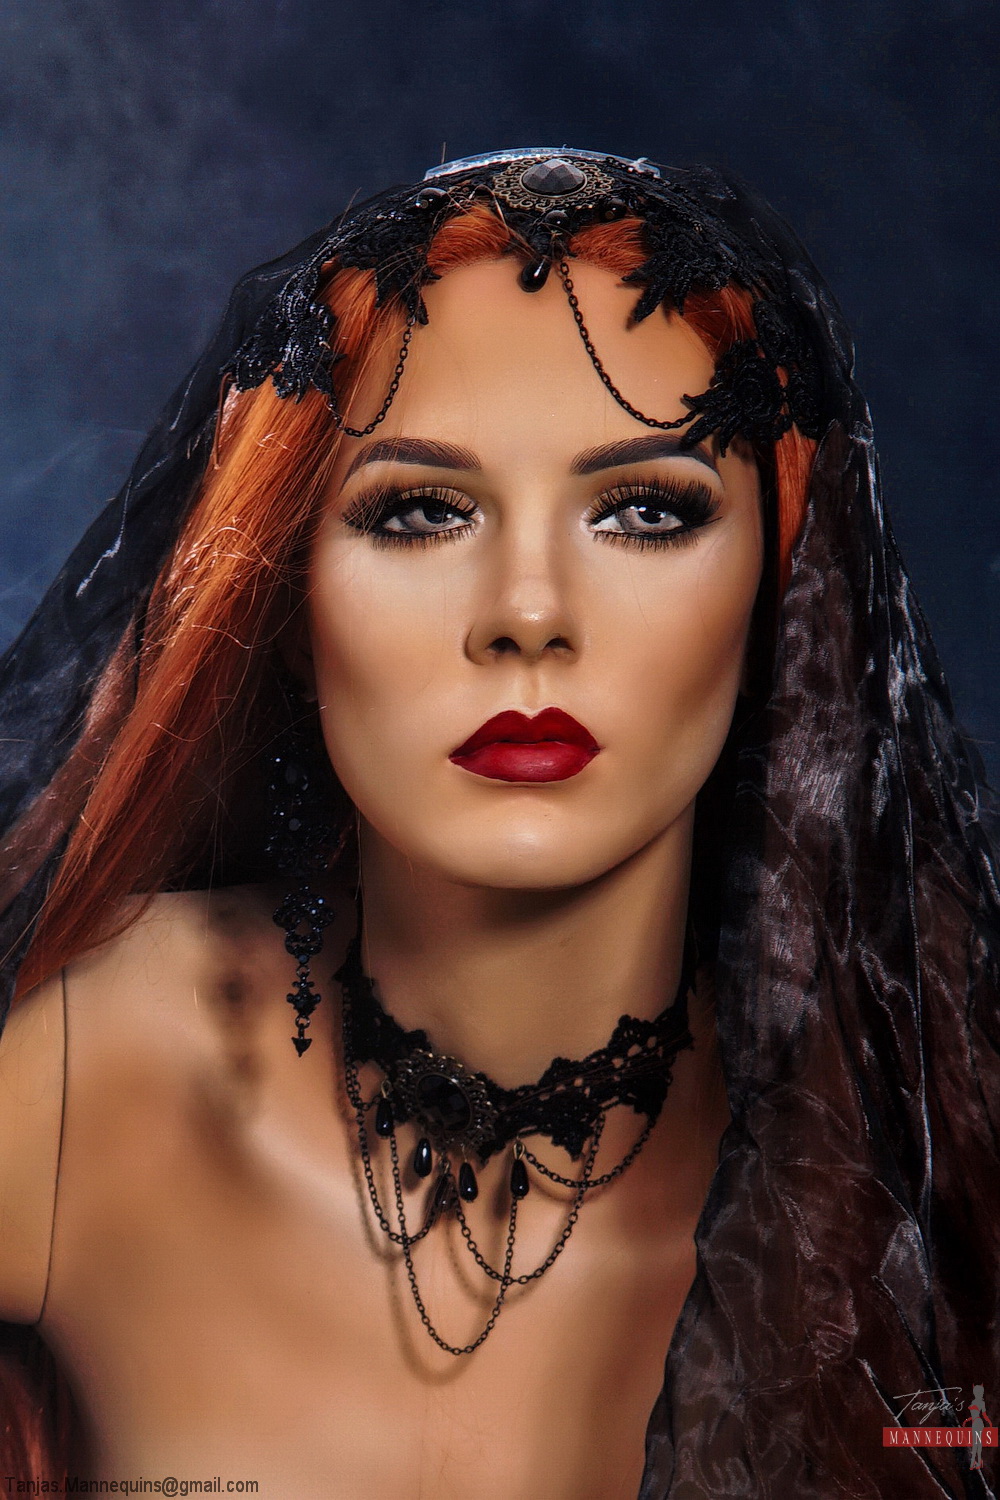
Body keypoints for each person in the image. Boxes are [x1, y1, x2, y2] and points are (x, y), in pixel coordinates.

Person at [0, 148, 997, 1499]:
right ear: (290, 601)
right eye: (421, 510)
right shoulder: (82, 1069)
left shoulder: (919, 1195)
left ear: (784, 595)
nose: (528, 611)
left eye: (646, 510)